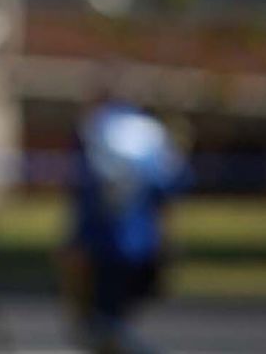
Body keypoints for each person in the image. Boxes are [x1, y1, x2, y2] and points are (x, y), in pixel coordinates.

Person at [62, 92, 189, 354]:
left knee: (99, 328)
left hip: (103, 247)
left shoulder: (95, 131)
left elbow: (84, 193)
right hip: (143, 245)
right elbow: (172, 187)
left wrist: (76, 245)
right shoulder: (149, 133)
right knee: (108, 326)